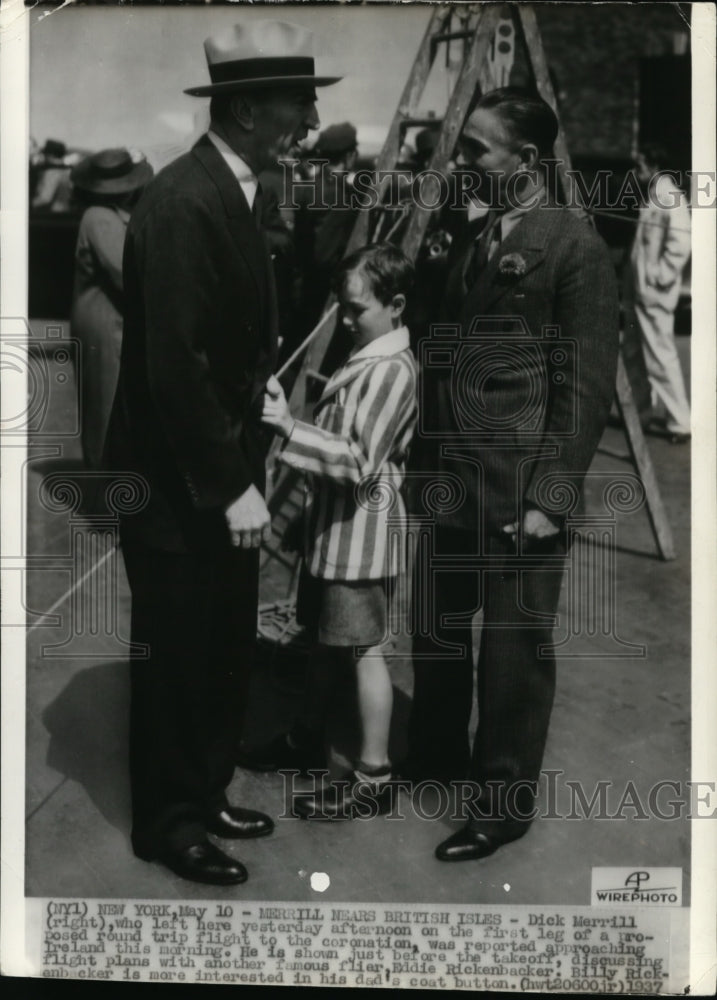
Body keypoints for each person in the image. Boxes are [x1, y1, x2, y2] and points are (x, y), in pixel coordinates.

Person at [105, 20, 339, 884]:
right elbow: (172, 368)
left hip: (218, 468)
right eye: (297, 100)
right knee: (177, 656)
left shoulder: (232, 187)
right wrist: (231, 484)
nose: (309, 118)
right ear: (245, 109)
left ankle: (203, 792)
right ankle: (168, 824)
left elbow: (216, 342)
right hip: (179, 488)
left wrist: (260, 392)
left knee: (219, 646)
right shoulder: (182, 201)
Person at [406, 87, 620, 861]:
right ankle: (430, 754)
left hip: (517, 489)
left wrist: (549, 497)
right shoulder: (469, 234)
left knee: (511, 649)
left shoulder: (573, 248)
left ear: (525, 160)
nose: (458, 163)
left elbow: (585, 388)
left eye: (474, 151)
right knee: (434, 629)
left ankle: (500, 804)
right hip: (452, 475)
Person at [260, 244, 418, 819]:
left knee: (363, 650)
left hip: (361, 540)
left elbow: (356, 461)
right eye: (342, 308)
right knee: (325, 644)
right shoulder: (367, 355)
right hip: (337, 533)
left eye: (357, 310)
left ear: (396, 305)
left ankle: (374, 774)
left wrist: (287, 427)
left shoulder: (391, 371)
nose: (346, 320)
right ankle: (307, 740)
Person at [70, 148, 153, 470]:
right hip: (103, 323)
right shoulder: (100, 217)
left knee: (111, 402)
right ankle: (105, 487)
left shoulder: (111, 215)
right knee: (103, 406)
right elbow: (126, 273)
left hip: (110, 318)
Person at [627, 143, 691, 443]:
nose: (637, 172)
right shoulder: (653, 195)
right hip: (640, 291)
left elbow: (680, 244)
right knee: (634, 354)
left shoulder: (669, 197)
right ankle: (641, 414)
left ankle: (680, 422)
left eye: (640, 165)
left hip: (654, 292)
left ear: (653, 166)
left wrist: (658, 276)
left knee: (660, 358)